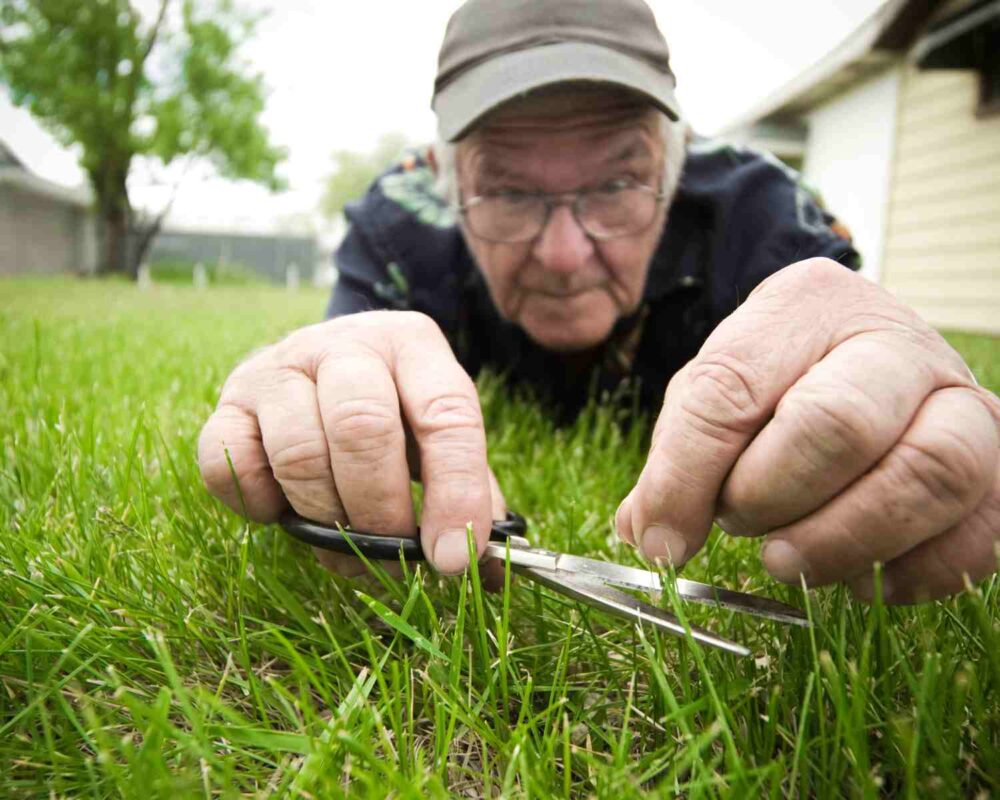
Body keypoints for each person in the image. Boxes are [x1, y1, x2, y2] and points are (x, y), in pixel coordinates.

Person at [199, 0, 999, 604]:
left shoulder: (763, 216)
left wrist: (919, 408)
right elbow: (334, 358)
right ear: (444, 180)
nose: (563, 255)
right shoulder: (398, 220)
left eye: (618, 181)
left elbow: (863, 348)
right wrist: (309, 392)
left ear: (676, 164)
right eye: (507, 190)